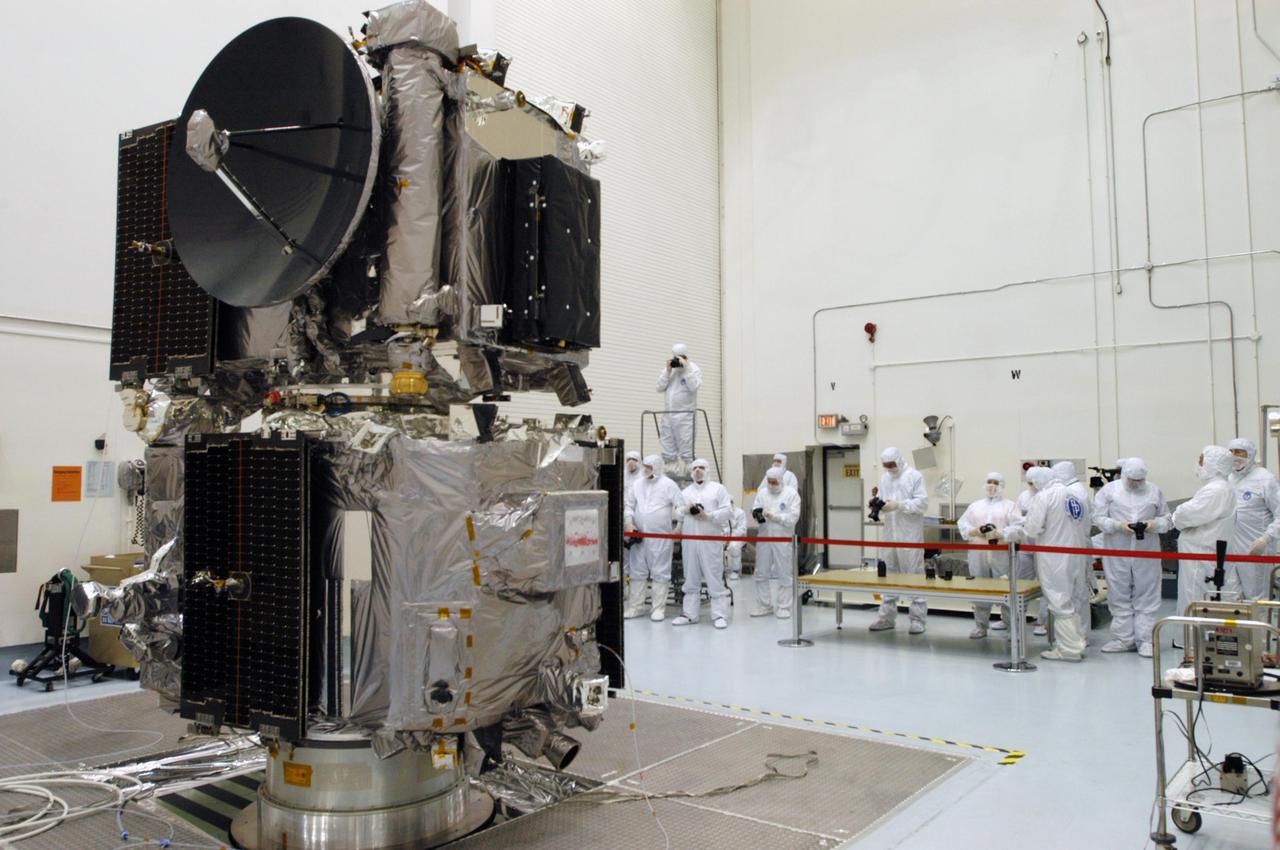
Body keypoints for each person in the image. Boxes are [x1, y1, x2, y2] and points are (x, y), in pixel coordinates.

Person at [1010, 465, 1090, 662]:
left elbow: (1033, 528)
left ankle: (1068, 650)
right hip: (1077, 553)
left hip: (1054, 555)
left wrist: (1017, 528)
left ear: (1038, 482)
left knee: (1059, 599)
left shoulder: (1044, 496)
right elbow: (1086, 525)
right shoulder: (1075, 495)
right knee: (1074, 598)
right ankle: (1077, 642)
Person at [1092, 458, 1170, 658]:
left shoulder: (1154, 491)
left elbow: (1167, 519)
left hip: (1147, 550)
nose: (1136, 483)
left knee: (1148, 592)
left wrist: (1153, 524)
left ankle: (1145, 640)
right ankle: (1123, 639)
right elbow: (1098, 518)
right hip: (1117, 549)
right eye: (1132, 479)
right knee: (1118, 591)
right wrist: (1118, 525)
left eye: (1140, 480)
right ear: (1124, 474)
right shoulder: (1109, 491)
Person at [1172, 446, 1239, 627]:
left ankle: (1194, 644)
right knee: (1197, 598)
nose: (1198, 465)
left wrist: (1177, 514)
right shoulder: (1219, 488)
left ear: (1213, 464)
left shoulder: (1216, 490)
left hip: (1201, 557)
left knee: (1196, 598)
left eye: (1202, 461)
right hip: (1204, 555)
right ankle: (1193, 641)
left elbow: (1184, 516)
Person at [868, 448, 930, 634]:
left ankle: (918, 619)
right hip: (890, 534)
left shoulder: (914, 476)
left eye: (891, 465)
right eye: (886, 466)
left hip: (909, 535)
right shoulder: (885, 478)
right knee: (888, 575)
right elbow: (883, 500)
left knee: (914, 575)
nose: (889, 468)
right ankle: (886, 617)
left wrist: (899, 505)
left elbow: (922, 503)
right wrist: (878, 504)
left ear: (900, 461)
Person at [957, 472, 1021, 638]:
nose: (991, 485)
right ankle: (981, 626)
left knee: (1007, 591)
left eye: (995, 482)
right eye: (989, 482)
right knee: (980, 590)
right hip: (978, 554)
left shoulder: (1010, 506)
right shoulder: (975, 506)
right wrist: (974, 531)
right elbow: (963, 524)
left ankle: (1011, 628)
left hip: (1002, 555)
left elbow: (1019, 527)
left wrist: (1001, 534)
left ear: (1002, 485)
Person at [672, 459, 732, 629]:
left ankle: (720, 615)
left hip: (710, 541)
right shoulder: (686, 492)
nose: (698, 470)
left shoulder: (718, 489)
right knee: (690, 576)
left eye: (701, 468)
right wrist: (684, 510)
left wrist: (709, 516)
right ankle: (690, 614)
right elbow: (679, 513)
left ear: (708, 470)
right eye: (695, 468)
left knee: (714, 575)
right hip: (690, 541)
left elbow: (727, 511)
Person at [623, 455, 683, 621]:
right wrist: (629, 523)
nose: (645, 468)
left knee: (660, 572)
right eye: (645, 466)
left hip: (660, 537)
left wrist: (678, 527)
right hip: (639, 536)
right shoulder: (637, 484)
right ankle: (636, 607)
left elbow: (681, 506)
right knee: (637, 572)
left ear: (657, 466)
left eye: (649, 466)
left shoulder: (668, 484)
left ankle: (658, 609)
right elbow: (629, 505)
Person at [1227, 437, 1280, 600]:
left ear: (1250, 455)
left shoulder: (1265, 478)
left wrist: (1265, 539)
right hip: (1230, 550)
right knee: (1231, 597)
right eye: (1232, 452)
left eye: (1240, 452)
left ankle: (1260, 627)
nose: (1235, 456)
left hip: (1256, 550)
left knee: (1257, 599)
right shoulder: (1228, 478)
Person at [750, 467, 801, 618]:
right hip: (764, 537)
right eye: (769, 482)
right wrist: (757, 514)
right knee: (761, 572)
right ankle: (764, 605)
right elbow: (755, 508)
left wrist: (776, 517)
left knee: (784, 572)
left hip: (782, 539)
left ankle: (784, 607)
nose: (771, 485)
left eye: (774, 482)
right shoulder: (763, 492)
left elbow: (793, 518)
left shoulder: (791, 494)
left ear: (781, 480)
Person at [1052, 460, 1093, 636]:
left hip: (1070, 548)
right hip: (1078, 546)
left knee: (1072, 593)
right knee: (1079, 591)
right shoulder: (1080, 491)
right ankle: (1080, 633)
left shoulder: (1069, 493)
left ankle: (1075, 636)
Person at [656, 344, 703, 470]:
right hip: (668, 417)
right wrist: (667, 371)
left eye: (681, 356)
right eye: (675, 356)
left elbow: (694, 386)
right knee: (668, 455)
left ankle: (688, 484)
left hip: (685, 417)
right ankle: (672, 484)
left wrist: (686, 369)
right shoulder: (670, 370)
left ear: (686, 356)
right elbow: (659, 387)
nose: (678, 360)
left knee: (687, 455)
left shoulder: (693, 369)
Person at [1014, 467, 1048, 636]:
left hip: (1042, 546)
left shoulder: (1047, 494)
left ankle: (1043, 621)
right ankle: (1016, 618)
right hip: (1025, 545)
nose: (1032, 485)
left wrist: (1030, 521)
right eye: (1029, 483)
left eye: (1033, 482)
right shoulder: (1024, 496)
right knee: (1022, 582)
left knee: (1045, 583)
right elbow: (1016, 517)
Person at [622, 450, 643, 577]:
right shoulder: (622, 475)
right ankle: (626, 579)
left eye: (634, 459)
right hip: (624, 517)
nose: (631, 462)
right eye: (628, 459)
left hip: (638, 517)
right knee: (625, 549)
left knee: (638, 550)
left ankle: (636, 577)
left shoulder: (642, 477)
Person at [725, 498, 747, 580]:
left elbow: (742, 529)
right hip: (725, 536)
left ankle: (735, 570)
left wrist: (730, 537)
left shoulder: (740, 512)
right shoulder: (722, 513)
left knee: (734, 546)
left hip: (738, 537)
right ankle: (719, 570)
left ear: (732, 503)